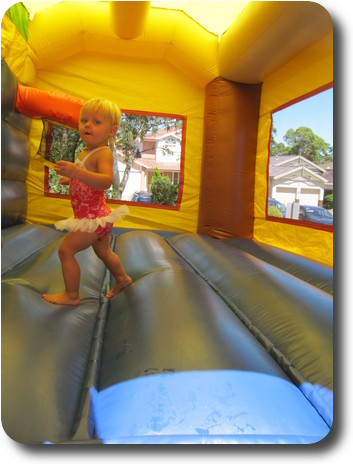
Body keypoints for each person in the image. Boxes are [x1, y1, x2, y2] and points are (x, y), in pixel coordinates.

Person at [42, 98, 132, 306]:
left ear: (112, 130)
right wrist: (71, 179)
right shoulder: (86, 150)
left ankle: (72, 295)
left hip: (93, 219)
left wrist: (77, 173)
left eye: (96, 122)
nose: (87, 125)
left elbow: (106, 182)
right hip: (93, 216)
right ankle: (123, 279)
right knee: (104, 253)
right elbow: (87, 178)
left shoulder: (104, 153)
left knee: (66, 251)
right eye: (84, 120)